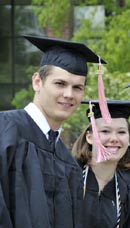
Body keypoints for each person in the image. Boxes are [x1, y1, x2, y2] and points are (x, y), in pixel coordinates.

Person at [0, 35, 104, 227]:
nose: (69, 95)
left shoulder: (67, 162)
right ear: (37, 82)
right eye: (60, 84)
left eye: (77, 87)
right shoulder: (5, 130)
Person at [72, 100, 130, 228]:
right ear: (89, 137)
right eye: (105, 131)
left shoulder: (125, 191)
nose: (114, 138)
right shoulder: (68, 177)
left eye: (121, 132)